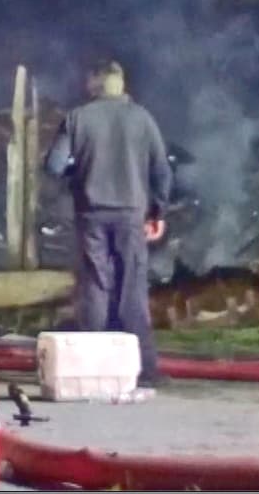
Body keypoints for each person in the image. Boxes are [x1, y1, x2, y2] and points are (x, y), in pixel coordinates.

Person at [44, 59, 171, 387]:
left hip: (91, 214)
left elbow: (55, 166)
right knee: (132, 287)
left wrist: (79, 173)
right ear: (121, 84)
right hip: (131, 214)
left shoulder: (77, 118)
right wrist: (157, 212)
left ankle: (94, 370)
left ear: (93, 85)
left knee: (96, 287)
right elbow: (161, 170)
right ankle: (143, 369)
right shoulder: (142, 119)